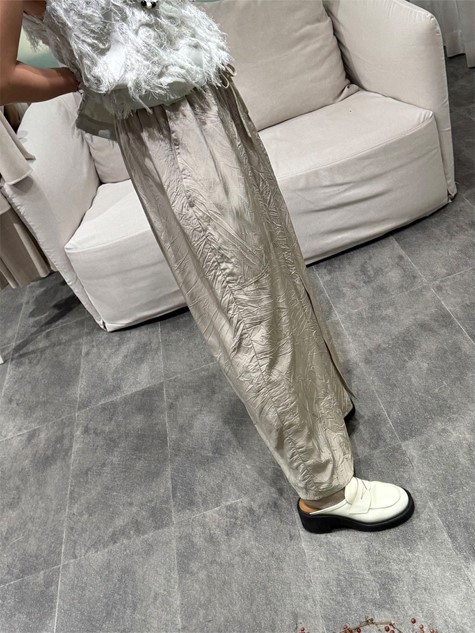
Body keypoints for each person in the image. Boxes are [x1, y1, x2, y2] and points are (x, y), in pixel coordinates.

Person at [0, 0, 415, 533]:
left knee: (275, 264)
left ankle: (320, 404)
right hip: (164, 127)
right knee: (245, 298)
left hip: (210, 100)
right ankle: (325, 489)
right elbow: (4, 75)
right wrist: (87, 73)